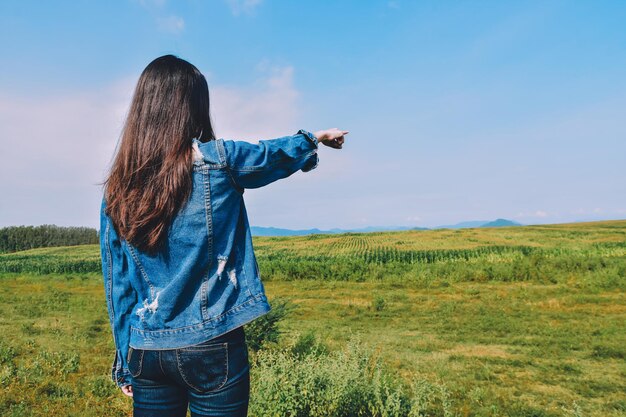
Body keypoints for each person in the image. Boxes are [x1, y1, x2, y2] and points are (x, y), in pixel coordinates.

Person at [98, 54, 348, 417]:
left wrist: (125, 359)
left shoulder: (118, 188)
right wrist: (314, 140)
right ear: (193, 107)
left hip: (146, 349)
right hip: (212, 342)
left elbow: (118, 284)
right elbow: (269, 155)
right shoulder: (219, 160)